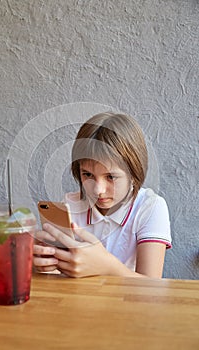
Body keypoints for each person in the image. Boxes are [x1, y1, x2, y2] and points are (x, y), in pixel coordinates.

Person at [33, 112, 171, 278]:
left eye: (110, 177)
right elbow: (58, 278)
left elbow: (152, 287)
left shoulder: (150, 207)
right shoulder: (70, 205)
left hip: (128, 302)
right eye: (88, 175)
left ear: (133, 173)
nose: (98, 190)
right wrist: (46, 266)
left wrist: (106, 266)